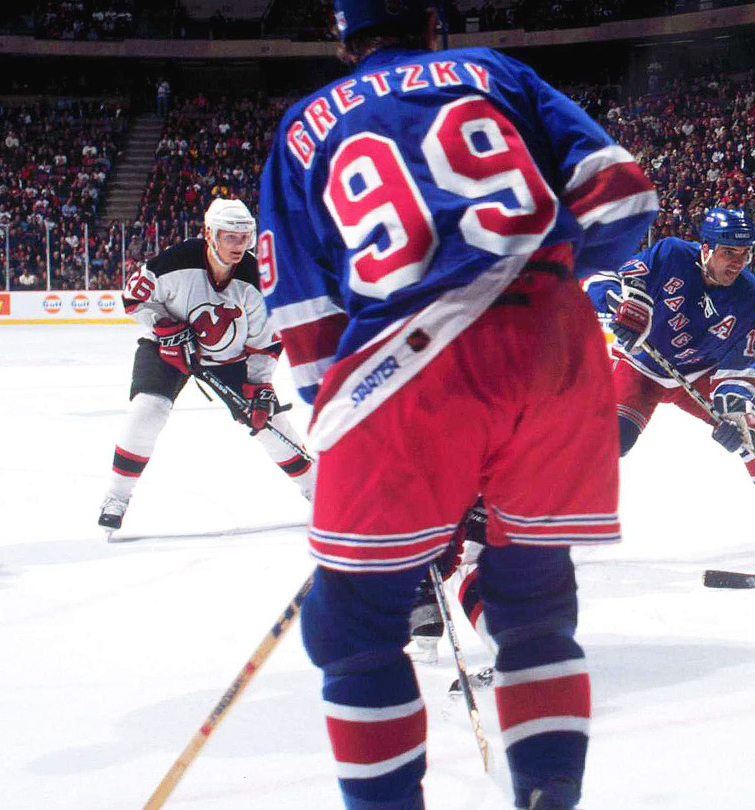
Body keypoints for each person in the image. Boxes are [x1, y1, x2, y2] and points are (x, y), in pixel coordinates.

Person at [255, 1, 658, 807]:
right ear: (431, 24)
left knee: (351, 626)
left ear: (343, 37)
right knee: (534, 606)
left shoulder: (304, 126)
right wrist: (532, 265)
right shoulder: (498, 73)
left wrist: (360, 437)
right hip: (557, 349)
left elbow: (305, 317)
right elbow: (624, 201)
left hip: (408, 367)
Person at [584, 208, 755, 560]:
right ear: (706, 248)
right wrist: (618, 305)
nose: (737, 263)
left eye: (745, 253)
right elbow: (601, 278)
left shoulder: (753, 298)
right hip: (641, 367)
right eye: (728, 252)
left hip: (699, 375)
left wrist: (736, 415)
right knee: (611, 442)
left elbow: (740, 367)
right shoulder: (670, 253)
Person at [96, 198, 314, 538]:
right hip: (166, 350)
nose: (239, 245)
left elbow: (266, 342)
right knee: (148, 409)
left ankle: (319, 493)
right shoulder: (176, 261)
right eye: (230, 237)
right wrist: (163, 326)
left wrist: (259, 387)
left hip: (229, 358)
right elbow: (133, 298)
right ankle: (116, 497)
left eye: (244, 237)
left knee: (269, 420)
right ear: (210, 234)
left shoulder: (257, 279)